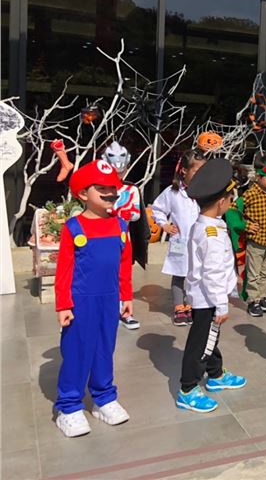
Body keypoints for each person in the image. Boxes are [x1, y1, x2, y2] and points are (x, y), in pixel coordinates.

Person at [53, 160, 133, 437]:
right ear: (83, 194)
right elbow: (64, 269)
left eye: (113, 189)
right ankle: (69, 407)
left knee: (104, 349)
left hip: (109, 299)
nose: (111, 194)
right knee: (77, 350)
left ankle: (104, 398)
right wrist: (63, 304)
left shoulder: (120, 225)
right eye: (102, 189)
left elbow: (124, 263)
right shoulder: (73, 227)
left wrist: (126, 295)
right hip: (81, 301)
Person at [175, 158, 247, 413]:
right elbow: (213, 273)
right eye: (230, 199)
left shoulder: (207, 225)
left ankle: (215, 374)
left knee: (210, 337)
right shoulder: (211, 234)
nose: (231, 203)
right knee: (201, 344)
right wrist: (221, 305)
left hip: (205, 296)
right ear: (221, 202)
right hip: (208, 298)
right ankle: (188, 388)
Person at [151, 149, 207, 326]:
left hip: (200, 242)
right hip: (181, 242)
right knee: (179, 274)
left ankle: (190, 304)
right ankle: (178, 307)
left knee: (196, 275)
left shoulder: (205, 193)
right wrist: (164, 225)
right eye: (196, 171)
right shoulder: (172, 192)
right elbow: (157, 209)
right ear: (184, 170)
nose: (200, 175)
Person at [101, 141, 145, 331]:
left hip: (122, 236)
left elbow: (136, 213)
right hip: (101, 236)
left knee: (124, 274)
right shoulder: (98, 188)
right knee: (101, 273)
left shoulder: (131, 189)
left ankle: (124, 311)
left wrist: (123, 213)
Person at [242, 164, 266, 317]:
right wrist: (247, 225)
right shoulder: (250, 194)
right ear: (258, 177)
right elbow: (234, 210)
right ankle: (253, 301)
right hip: (256, 241)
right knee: (254, 273)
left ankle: (263, 297)